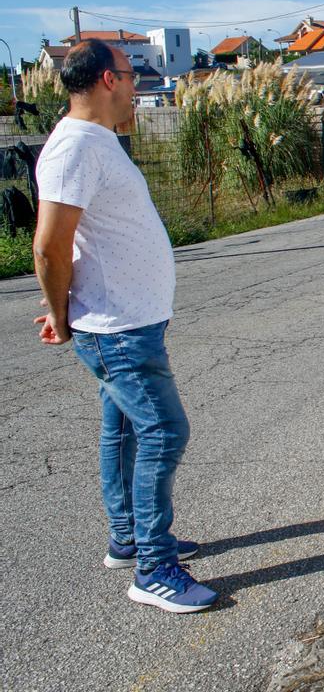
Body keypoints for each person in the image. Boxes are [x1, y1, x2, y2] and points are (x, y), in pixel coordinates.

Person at [32, 39, 217, 613]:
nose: (137, 85)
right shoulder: (73, 148)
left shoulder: (98, 140)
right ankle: (154, 569)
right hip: (116, 329)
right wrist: (61, 314)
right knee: (164, 432)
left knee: (125, 431)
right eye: (131, 74)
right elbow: (49, 246)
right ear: (107, 80)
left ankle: (129, 538)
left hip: (129, 321)